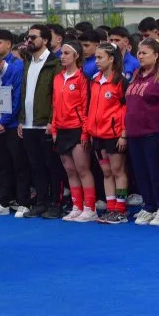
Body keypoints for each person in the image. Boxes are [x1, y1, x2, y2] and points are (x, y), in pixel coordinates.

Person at [17, 24, 63, 219]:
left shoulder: (54, 63)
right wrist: (21, 120)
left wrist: (53, 121)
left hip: (46, 123)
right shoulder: (28, 62)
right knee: (35, 165)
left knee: (52, 165)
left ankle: (56, 203)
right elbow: (25, 93)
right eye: (28, 37)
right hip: (28, 123)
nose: (29, 41)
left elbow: (57, 95)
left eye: (33, 37)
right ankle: (41, 201)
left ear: (45, 40)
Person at [126, 38, 159, 226]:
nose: (140, 55)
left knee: (156, 172)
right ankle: (149, 205)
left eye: (144, 52)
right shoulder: (136, 74)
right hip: (134, 132)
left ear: (156, 54)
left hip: (152, 132)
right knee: (141, 172)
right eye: (139, 52)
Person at [0, 29, 29, 217]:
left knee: (19, 164)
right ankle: (4, 201)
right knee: (1, 164)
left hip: (12, 126)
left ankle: (23, 202)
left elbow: (17, 98)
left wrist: (4, 121)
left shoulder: (17, 68)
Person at [51, 42, 96, 222]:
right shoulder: (58, 78)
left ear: (76, 56)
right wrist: (54, 127)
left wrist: (85, 132)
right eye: (62, 53)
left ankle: (90, 208)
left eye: (66, 53)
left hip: (77, 128)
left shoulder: (82, 78)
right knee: (70, 170)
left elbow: (86, 107)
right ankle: (77, 206)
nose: (62, 56)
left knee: (82, 169)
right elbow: (54, 105)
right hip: (61, 129)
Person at [85, 43, 129, 224]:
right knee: (106, 172)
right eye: (95, 57)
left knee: (118, 171)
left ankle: (121, 209)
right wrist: (89, 130)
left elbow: (127, 108)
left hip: (114, 135)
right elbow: (91, 108)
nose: (96, 61)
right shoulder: (95, 80)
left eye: (100, 57)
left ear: (111, 59)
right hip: (97, 135)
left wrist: (124, 134)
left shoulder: (120, 81)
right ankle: (111, 208)